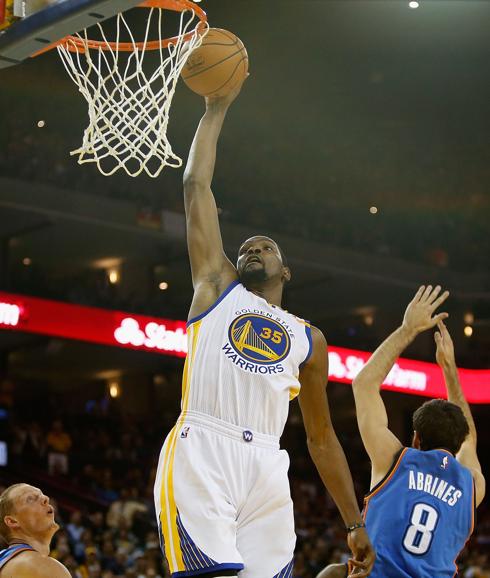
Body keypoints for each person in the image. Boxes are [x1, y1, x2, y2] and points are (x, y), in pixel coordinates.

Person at [153, 81, 374, 578]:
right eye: (246, 247)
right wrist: (215, 109)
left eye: (266, 247)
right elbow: (195, 186)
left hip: (267, 464)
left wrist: (354, 522)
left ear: (286, 271)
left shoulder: (309, 338)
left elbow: (321, 437)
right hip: (203, 445)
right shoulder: (217, 286)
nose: (254, 250)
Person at [349, 285, 485, 577]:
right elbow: (470, 440)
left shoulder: (395, 460)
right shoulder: (472, 485)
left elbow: (364, 384)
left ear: (416, 438)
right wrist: (449, 368)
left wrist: (408, 329)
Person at [0, 483, 70, 577]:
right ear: (12, 521)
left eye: (42, 495)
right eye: (30, 499)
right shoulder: (46, 567)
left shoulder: (6, 562)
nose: (46, 498)